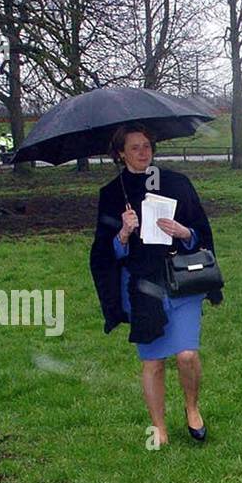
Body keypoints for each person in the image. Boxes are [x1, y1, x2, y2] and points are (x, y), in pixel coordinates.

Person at [89, 123, 221, 446]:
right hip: (142, 286)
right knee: (153, 361)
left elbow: (201, 232)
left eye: (146, 146)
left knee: (187, 354)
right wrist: (122, 233)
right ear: (120, 153)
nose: (142, 153)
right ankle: (159, 427)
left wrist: (184, 232)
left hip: (180, 281)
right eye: (134, 148)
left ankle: (192, 408)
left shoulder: (176, 183)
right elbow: (103, 253)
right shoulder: (111, 194)